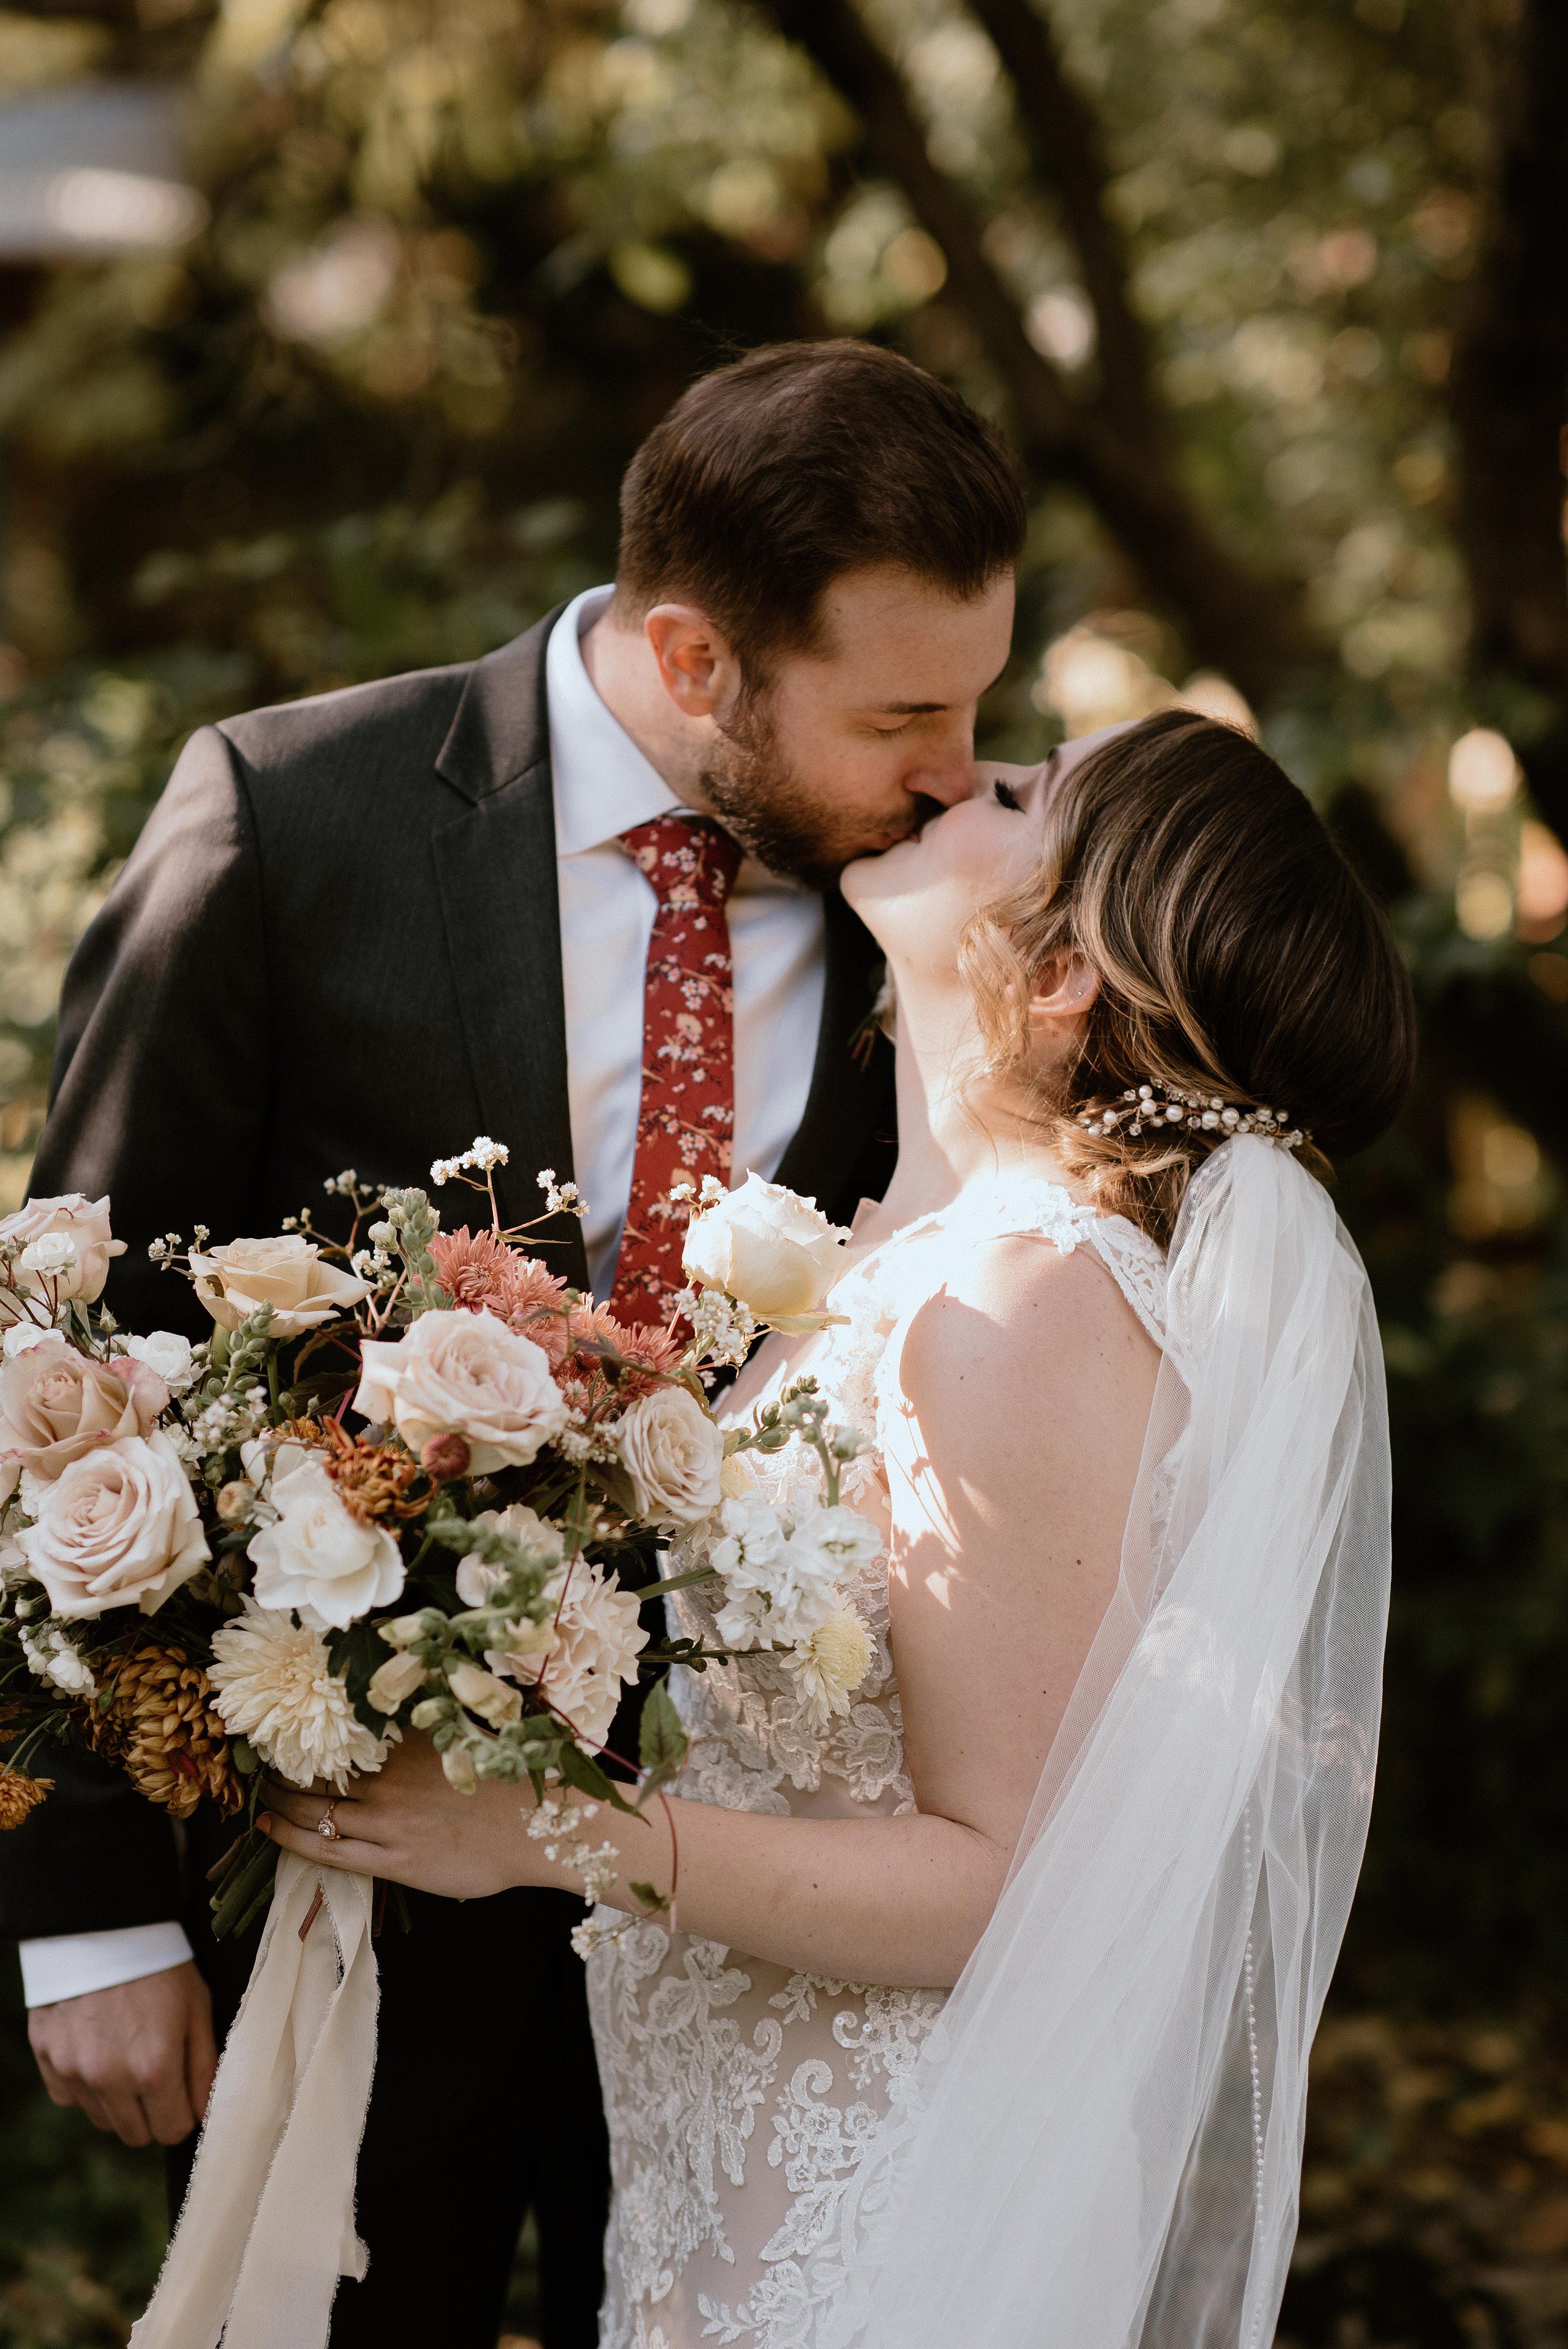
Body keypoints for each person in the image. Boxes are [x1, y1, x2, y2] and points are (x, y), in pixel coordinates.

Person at [0, 339, 1027, 2349]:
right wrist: (88, 1909)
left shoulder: (961, 882)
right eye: (905, 711)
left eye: (977, 701)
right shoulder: (290, 821)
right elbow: (66, 1360)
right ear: (695, 654)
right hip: (356, 1873)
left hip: (776, 1908)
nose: (957, 768)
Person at [262, 707, 1416, 2349]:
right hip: (721, 2171)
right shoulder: (908, 1251)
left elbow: (1005, 1880)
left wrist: (541, 1835)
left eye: (1020, 791)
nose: (959, 772)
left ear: (1070, 969)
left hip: (885, 2210)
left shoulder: (1029, 1300)